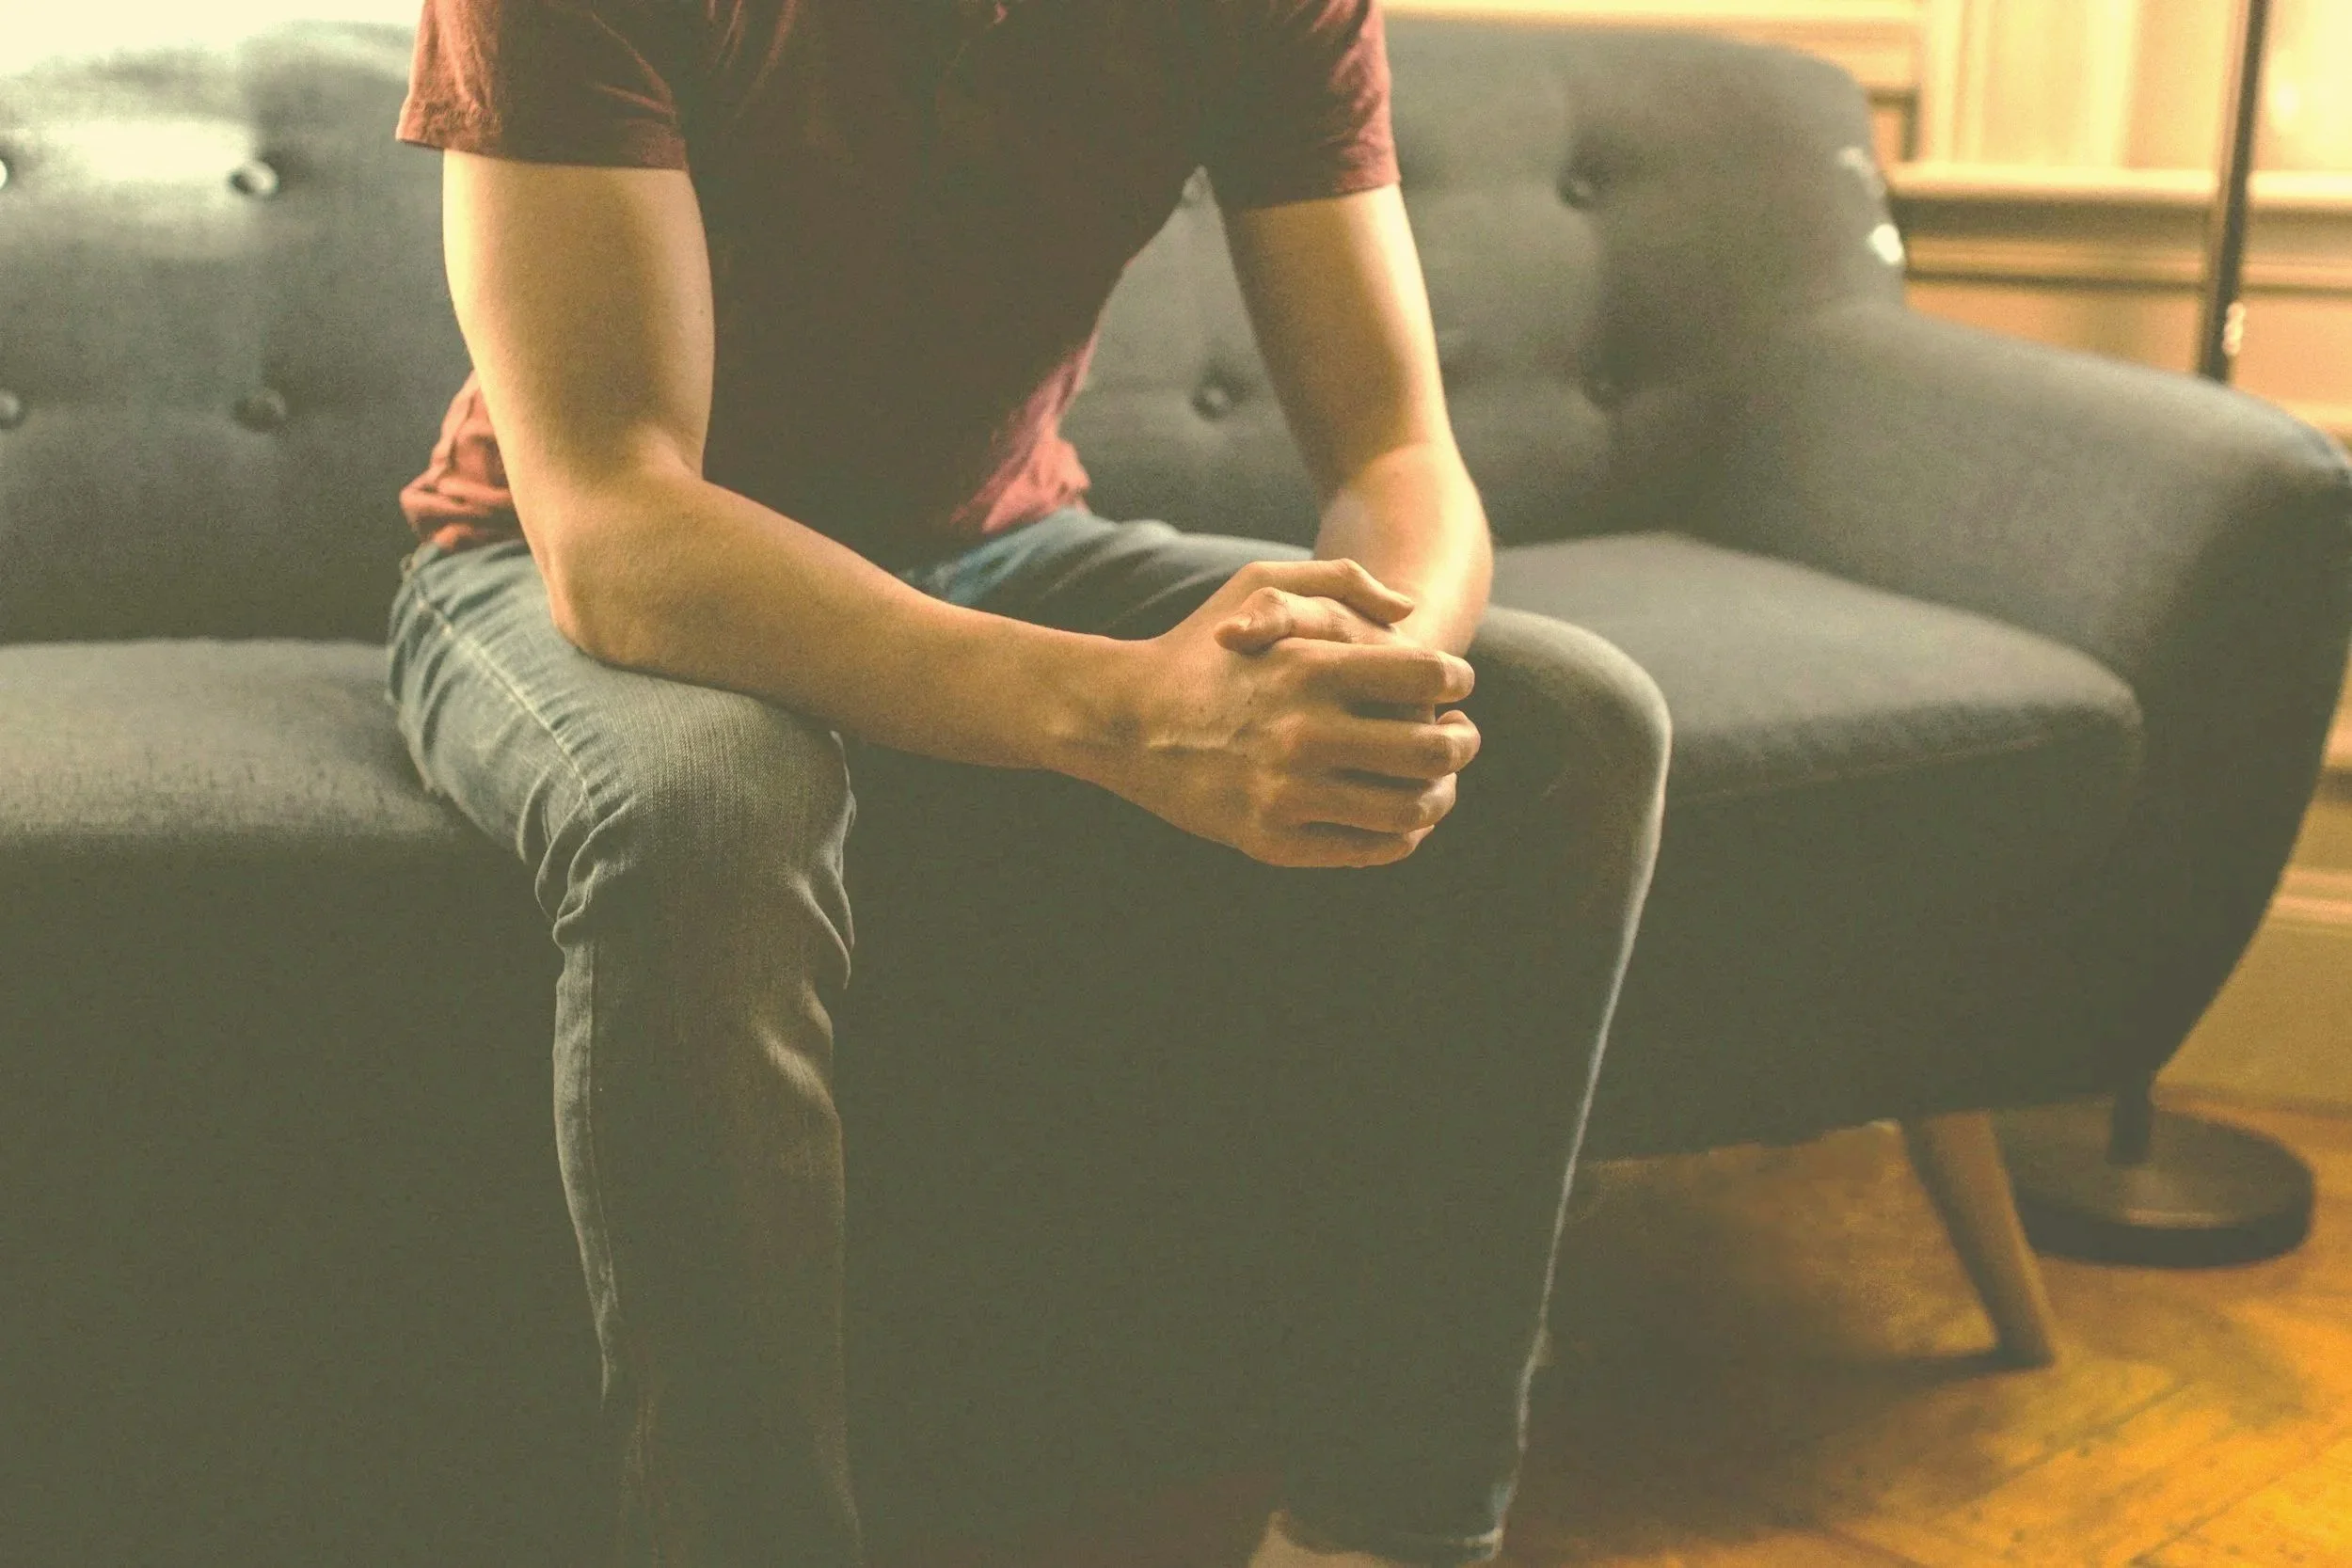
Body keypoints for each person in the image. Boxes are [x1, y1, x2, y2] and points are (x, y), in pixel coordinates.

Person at [384, 0, 1670, 1562]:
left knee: (1570, 727)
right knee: (714, 809)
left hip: (1002, 545)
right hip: (555, 559)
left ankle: (1385, 1534)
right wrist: (1133, 716)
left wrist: (1369, 678)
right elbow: (616, 525)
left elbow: (1401, 451)